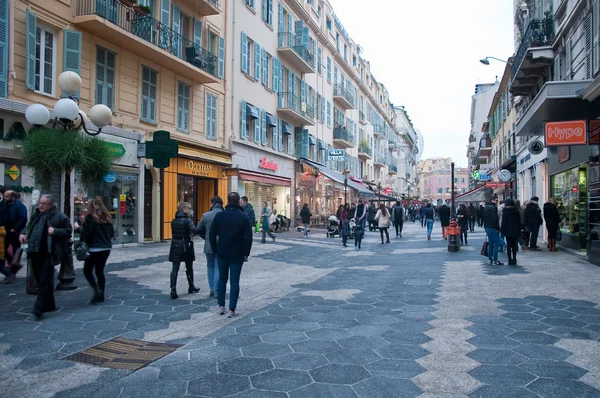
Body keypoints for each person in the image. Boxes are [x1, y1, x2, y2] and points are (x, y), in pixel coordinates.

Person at [19, 194, 72, 319]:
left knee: (43, 280)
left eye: (44, 203)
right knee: (40, 279)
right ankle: (50, 304)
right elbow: (29, 226)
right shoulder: (36, 214)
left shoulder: (59, 217)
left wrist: (55, 231)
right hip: (35, 251)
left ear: (51, 205)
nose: (40, 206)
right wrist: (23, 234)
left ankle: (39, 307)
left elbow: (68, 231)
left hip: (49, 252)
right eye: (40, 203)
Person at [209, 192, 253, 318]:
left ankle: (221, 306)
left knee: (222, 278)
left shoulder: (220, 215)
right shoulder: (244, 217)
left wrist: (215, 249)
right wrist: (246, 253)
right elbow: (248, 238)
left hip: (222, 252)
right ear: (239, 201)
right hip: (237, 253)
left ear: (227, 201)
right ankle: (232, 309)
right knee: (235, 281)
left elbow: (212, 234)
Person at [75, 198, 114, 304]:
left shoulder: (90, 218)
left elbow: (85, 235)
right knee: (100, 271)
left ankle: (97, 290)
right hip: (106, 248)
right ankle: (101, 294)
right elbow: (111, 234)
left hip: (94, 248)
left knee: (87, 271)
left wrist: (78, 229)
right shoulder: (108, 218)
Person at [168, 202, 201, 299]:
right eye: (189, 209)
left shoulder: (174, 220)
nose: (190, 211)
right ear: (185, 209)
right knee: (189, 267)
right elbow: (194, 230)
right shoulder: (187, 220)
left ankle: (173, 289)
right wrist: (202, 227)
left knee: (175, 268)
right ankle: (191, 286)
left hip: (175, 244)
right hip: (186, 245)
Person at [196, 196, 224, 298]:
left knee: (210, 266)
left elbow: (198, 229)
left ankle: (212, 288)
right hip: (221, 244)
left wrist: (206, 237)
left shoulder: (206, 215)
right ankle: (217, 290)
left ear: (212, 203)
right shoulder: (224, 215)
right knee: (218, 267)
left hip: (208, 244)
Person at [483, 196, 503, 265]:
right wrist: (497, 228)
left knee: (491, 244)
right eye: (496, 200)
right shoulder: (493, 208)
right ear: (492, 200)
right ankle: (495, 259)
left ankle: (490, 259)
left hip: (487, 227)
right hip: (493, 228)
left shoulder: (486, 207)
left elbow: (484, 218)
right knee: (497, 244)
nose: (497, 202)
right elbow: (495, 219)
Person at [501, 198, 522, 265]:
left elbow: (504, 222)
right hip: (515, 230)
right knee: (514, 245)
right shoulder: (516, 211)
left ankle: (509, 259)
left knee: (509, 245)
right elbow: (519, 222)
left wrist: (502, 230)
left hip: (508, 230)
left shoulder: (505, 211)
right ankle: (514, 259)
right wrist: (519, 230)